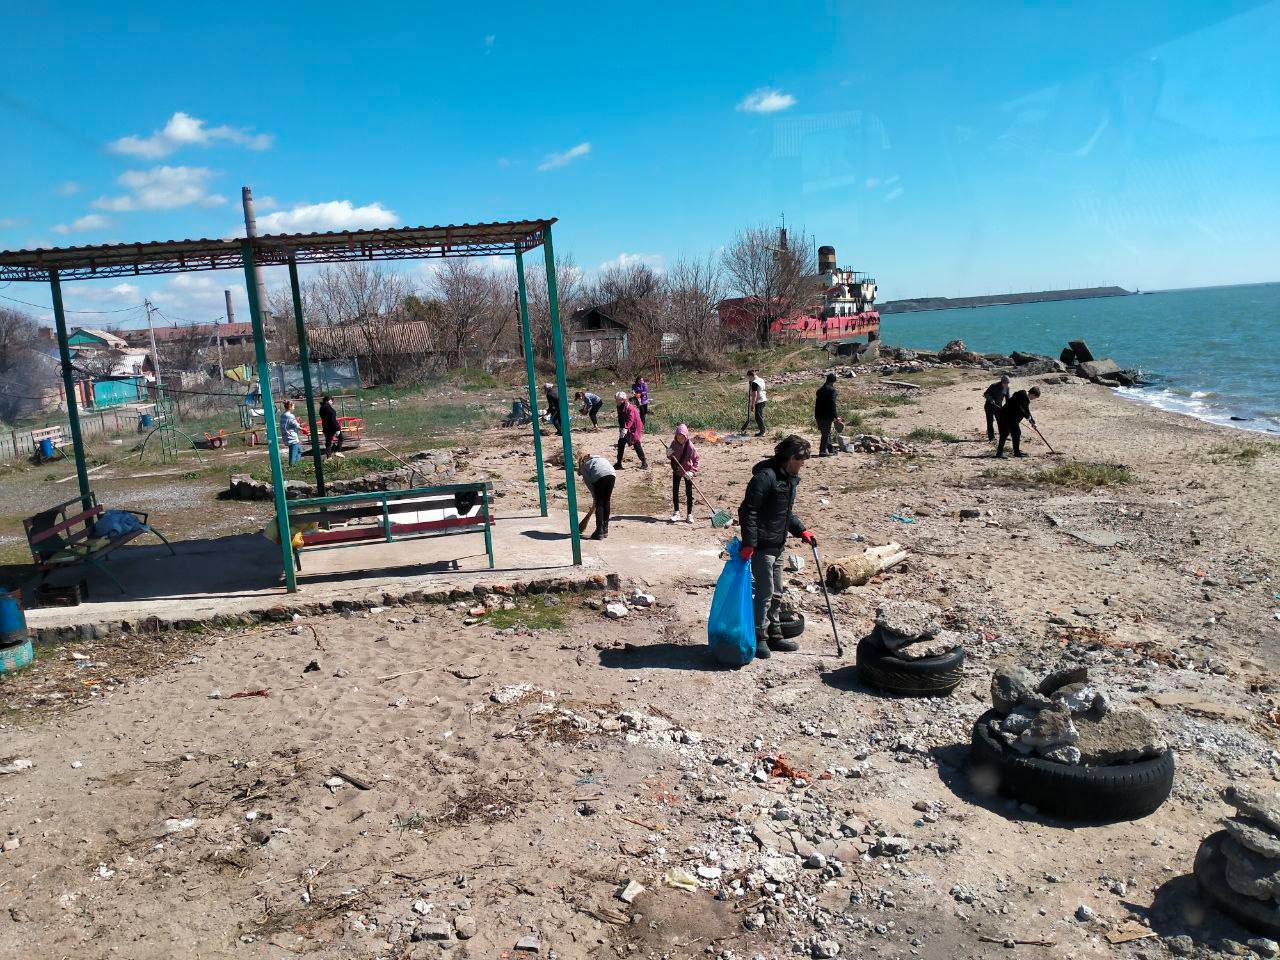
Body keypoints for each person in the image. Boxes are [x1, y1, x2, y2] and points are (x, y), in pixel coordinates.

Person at [737, 435, 817, 659]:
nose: (803, 465)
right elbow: (748, 511)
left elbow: (785, 513)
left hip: (778, 544)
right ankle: (758, 637)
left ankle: (774, 634)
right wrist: (749, 543)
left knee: (777, 593)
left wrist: (802, 531)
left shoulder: (789, 479)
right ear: (791, 458)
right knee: (765, 593)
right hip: (762, 546)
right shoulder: (765, 478)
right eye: (801, 461)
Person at [667, 424, 700, 523]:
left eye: (682, 437)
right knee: (675, 491)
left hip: (687, 472)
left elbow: (696, 459)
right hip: (677, 470)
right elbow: (670, 456)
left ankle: (689, 514)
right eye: (678, 437)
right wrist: (668, 453)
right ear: (676, 436)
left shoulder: (690, 446)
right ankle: (676, 512)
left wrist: (692, 471)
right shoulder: (674, 443)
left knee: (689, 493)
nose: (680, 439)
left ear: (686, 436)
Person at [577, 454, 615, 540]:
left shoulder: (584, 466)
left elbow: (589, 484)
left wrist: (595, 498)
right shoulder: (599, 459)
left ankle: (599, 531)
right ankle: (605, 529)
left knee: (600, 503)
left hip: (599, 476)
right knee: (606, 501)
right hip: (612, 474)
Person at [996, 385, 1041, 458]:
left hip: (1008, 418)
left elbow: (1026, 411)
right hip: (1007, 417)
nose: (1034, 399)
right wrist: (1027, 417)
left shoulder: (1023, 397)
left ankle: (1005, 453)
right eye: (1035, 397)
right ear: (1032, 394)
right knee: (1013, 433)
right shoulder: (1022, 396)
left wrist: (1032, 422)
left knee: (1009, 434)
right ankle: (1014, 453)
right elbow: (1020, 408)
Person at [614, 391, 647, 469]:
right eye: (616, 399)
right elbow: (620, 417)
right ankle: (619, 463)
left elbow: (630, 420)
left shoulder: (629, 408)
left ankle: (644, 463)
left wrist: (625, 428)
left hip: (635, 426)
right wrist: (621, 428)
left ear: (623, 399)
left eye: (617, 399)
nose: (616, 401)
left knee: (636, 443)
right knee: (621, 443)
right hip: (626, 426)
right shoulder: (619, 406)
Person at [815, 372, 840, 456]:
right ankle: (822, 451)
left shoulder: (819, 390)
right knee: (826, 434)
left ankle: (830, 449)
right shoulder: (832, 391)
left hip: (818, 415)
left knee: (825, 433)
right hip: (827, 416)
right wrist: (836, 416)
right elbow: (832, 404)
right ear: (833, 381)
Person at [983, 375, 1011, 441]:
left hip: (998, 407)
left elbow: (1008, 399)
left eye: (1008, 383)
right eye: (1005, 383)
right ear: (1002, 382)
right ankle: (991, 437)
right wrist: (990, 399)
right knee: (990, 422)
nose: (1006, 384)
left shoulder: (1006, 388)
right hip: (989, 407)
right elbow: (986, 394)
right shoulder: (993, 386)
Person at [743, 369, 768, 436]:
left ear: (750, 376)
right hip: (763, 398)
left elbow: (755, 394)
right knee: (759, 416)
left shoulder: (754, 382)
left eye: (748, 377)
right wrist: (750, 383)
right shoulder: (760, 380)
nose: (748, 378)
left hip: (759, 400)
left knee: (758, 417)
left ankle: (762, 432)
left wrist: (753, 404)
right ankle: (762, 431)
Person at [279, 400, 303, 466]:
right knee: (293, 453)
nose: (294, 407)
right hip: (292, 437)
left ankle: (296, 465)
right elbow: (296, 425)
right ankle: (292, 466)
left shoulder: (283, 415)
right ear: (290, 407)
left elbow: (289, 423)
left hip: (286, 436)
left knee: (299, 450)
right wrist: (302, 427)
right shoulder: (290, 416)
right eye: (293, 406)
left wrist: (296, 421)